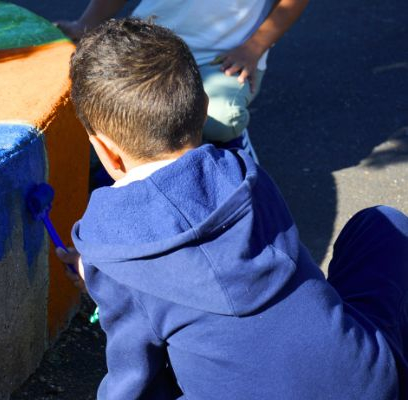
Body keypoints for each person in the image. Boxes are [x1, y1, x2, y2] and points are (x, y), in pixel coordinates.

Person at [58, 18, 408, 399]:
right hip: (367, 382)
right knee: (383, 225)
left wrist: (102, 272)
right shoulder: (247, 177)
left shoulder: (113, 250)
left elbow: (133, 379)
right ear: (204, 107)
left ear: (105, 149)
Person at [57, 0, 309, 163]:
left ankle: (234, 150)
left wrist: (254, 48)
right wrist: (86, 23)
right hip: (154, 39)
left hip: (223, 55)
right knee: (105, 102)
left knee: (221, 121)